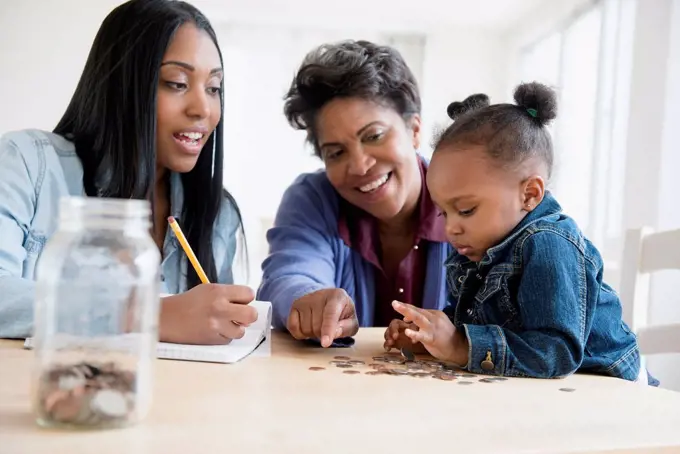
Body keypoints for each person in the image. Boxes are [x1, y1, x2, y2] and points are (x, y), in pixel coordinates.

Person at [0, 0, 258, 344]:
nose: (203, 109)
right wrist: (145, 315)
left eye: (213, 88)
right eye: (177, 83)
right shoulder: (27, 163)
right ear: (121, 86)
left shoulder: (216, 212)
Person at [384, 82, 657, 385]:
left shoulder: (549, 244)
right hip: (544, 390)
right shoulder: (480, 244)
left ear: (529, 194)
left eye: (466, 210)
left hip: (611, 388)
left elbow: (556, 352)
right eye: (443, 212)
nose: (450, 228)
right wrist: (430, 336)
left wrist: (461, 346)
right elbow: (470, 319)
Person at [257, 40, 452, 348]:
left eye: (374, 136)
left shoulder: (469, 198)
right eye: (336, 152)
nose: (360, 166)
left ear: (414, 130)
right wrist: (308, 299)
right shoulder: (313, 198)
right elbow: (286, 277)